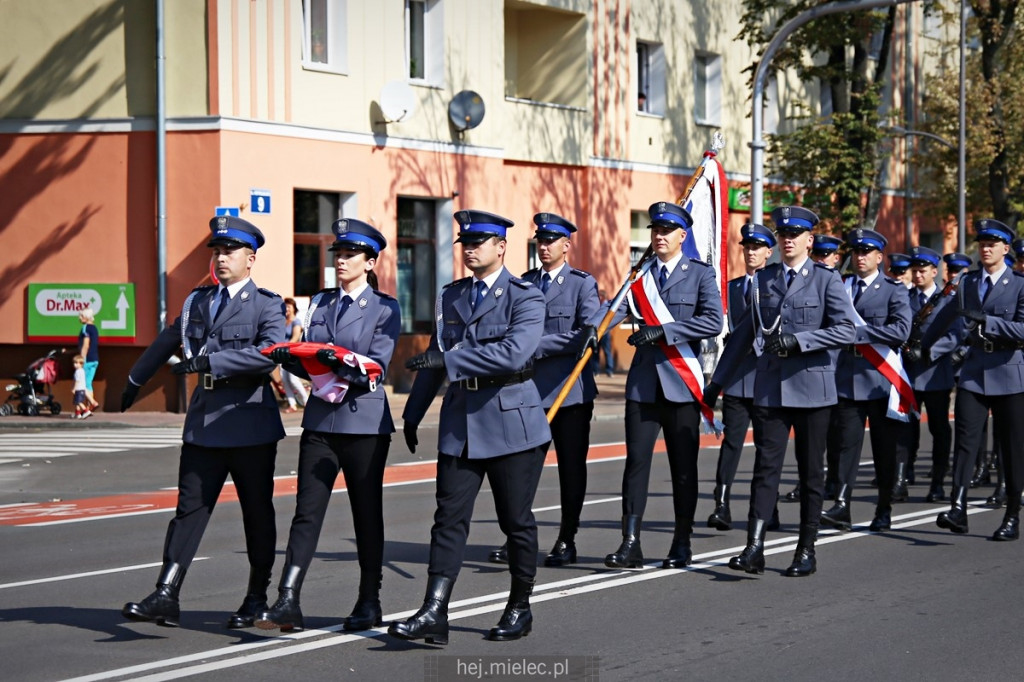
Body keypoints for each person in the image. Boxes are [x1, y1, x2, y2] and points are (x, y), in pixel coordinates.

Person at [389, 210, 551, 644]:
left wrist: (451, 361)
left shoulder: (526, 296)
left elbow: (515, 353)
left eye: (480, 241)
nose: (471, 248)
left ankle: (520, 606)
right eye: (466, 241)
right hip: (461, 422)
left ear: (501, 246)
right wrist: (413, 411)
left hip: (512, 419)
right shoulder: (451, 296)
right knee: (448, 519)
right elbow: (433, 354)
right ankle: (434, 610)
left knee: (515, 520)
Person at [120, 215, 285, 628]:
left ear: (251, 258)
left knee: (256, 512)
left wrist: (213, 360)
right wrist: (134, 379)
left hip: (249, 423)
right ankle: (166, 592)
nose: (221, 256)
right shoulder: (198, 301)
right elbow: (166, 340)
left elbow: (270, 353)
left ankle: (255, 597)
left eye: (230, 250)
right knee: (188, 510)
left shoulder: (267, 303)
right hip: (204, 421)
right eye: (217, 249)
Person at [256, 220, 400, 633]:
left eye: (350, 255)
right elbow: (308, 350)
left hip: (364, 422)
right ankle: (287, 599)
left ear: (370, 262)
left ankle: (369, 600)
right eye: (337, 254)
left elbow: (378, 366)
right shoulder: (319, 302)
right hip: (320, 419)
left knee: (366, 513)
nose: (341, 260)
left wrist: (342, 361)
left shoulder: (384, 307)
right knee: (307, 511)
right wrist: (292, 358)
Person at [706, 206, 855, 577]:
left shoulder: (826, 280)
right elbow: (741, 337)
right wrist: (715, 384)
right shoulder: (763, 280)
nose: (788, 239)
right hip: (771, 389)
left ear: (809, 240)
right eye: (783, 234)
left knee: (810, 473)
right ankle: (754, 547)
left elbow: (847, 330)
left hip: (812, 389)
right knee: (765, 469)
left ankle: (806, 549)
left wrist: (800, 342)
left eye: (795, 235)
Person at [596, 202, 723, 570]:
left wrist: (665, 332)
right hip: (643, 386)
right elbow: (614, 309)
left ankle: (681, 542)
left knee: (683, 467)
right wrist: (594, 328)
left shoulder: (699, 275)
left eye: (667, 231)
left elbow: (713, 321)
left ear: (683, 236)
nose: (659, 236)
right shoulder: (640, 274)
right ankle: (630, 542)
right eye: (655, 230)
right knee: (635, 464)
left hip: (681, 385)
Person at [488, 212, 599, 567]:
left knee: (570, 469)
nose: (544, 246)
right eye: (540, 240)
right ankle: (516, 536)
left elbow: (585, 335)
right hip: (527, 392)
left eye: (551, 240)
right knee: (520, 470)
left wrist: (537, 345)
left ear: (566, 246)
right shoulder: (523, 283)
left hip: (569, 393)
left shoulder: (583, 284)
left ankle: (567, 538)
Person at [934, 219, 1024, 541]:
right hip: (974, 372)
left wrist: (990, 321)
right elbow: (948, 317)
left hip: (1009, 372)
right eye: (981, 243)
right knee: (966, 440)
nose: (985, 248)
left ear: (1005, 249)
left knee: (1013, 449)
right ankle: (958, 507)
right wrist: (922, 343)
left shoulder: (1019, 284)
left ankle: (1012, 514)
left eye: (992, 244)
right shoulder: (969, 282)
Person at [819, 229, 911, 533]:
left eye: (866, 252)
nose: (859, 257)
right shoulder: (841, 286)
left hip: (879, 381)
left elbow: (900, 332)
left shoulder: (893, 289)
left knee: (884, 449)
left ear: (879, 257)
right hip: (845, 377)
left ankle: (883, 507)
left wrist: (858, 333)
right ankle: (842, 505)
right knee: (845, 447)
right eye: (856, 252)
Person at [707, 223, 775, 532]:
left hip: (765, 378)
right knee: (731, 443)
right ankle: (721, 504)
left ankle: (766, 507)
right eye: (747, 247)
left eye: (757, 248)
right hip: (737, 378)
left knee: (766, 445)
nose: (751, 252)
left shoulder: (775, 285)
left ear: (768, 253)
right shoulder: (733, 287)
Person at [900, 246, 959, 503]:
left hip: (935, 373)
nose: (918, 275)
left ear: (934, 272)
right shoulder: (904, 297)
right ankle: (902, 477)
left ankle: (937, 482)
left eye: (923, 271)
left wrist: (928, 353)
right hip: (909, 374)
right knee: (906, 428)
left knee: (938, 428)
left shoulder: (947, 300)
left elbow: (955, 334)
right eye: (915, 271)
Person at [280, 297, 310, 413]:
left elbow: (295, 337)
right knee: (285, 380)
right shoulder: (283, 321)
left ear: (293, 308)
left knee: (293, 379)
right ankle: (292, 404)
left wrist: (285, 346)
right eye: (285, 306)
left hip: (292, 353)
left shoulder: (296, 321)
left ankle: (306, 401)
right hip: (282, 354)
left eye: (288, 306)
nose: (286, 308)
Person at [77, 308, 101, 411]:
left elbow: (86, 345)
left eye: (81, 316)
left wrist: (81, 359)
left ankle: (92, 402)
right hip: (95, 359)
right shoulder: (95, 328)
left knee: (81, 384)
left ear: (86, 317)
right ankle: (88, 407)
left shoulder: (85, 328)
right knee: (88, 383)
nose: (79, 318)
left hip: (87, 359)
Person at [592, 288, 616, 376]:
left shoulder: (609, 306)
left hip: (605, 332)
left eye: (599, 296)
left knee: (607, 351)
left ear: (602, 297)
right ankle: (595, 371)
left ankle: (609, 370)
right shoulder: (596, 306)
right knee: (595, 352)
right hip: (596, 332)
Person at [71, 354, 89, 419]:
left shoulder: (78, 372)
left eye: (76, 363)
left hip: (78, 389)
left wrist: (74, 388)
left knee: (79, 402)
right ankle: (77, 414)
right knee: (76, 402)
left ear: (81, 364)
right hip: (82, 389)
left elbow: (77, 381)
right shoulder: (82, 371)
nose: (74, 364)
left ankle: (86, 411)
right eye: (74, 363)